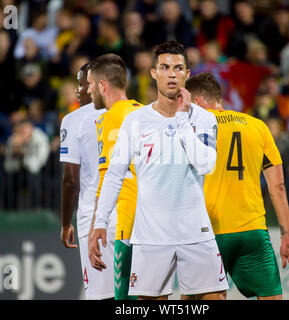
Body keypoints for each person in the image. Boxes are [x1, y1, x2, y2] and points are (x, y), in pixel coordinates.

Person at [89, 41, 228, 300]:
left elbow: (206, 165)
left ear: (187, 73)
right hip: (151, 236)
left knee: (215, 298)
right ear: (154, 73)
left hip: (195, 231)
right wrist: (100, 222)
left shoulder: (204, 118)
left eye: (178, 68)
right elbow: (115, 174)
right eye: (165, 67)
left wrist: (183, 118)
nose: (171, 74)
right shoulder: (136, 120)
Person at [185, 72, 289, 300]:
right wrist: (286, 234)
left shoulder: (193, 129)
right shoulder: (258, 126)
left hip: (208, 232)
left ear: (197, 102)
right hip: (253, 231)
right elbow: (277, 186)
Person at [85, 53, 143, 300]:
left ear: (102, 85)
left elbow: (108, 176)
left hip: (125, 222)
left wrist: (95, 226)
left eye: (89, 84)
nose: (87, 91)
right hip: (154, 220)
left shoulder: (109, 119)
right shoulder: (146, 112)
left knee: (125, 299)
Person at [59, 63, 111, 299]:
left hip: (93, 216)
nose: (77, 91)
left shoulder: (74, 120)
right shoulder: (134, 113)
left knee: (101, 294)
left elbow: (71, 180)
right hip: (132, 213)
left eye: (81, 83)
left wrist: (65, 222)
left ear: (96, 85)